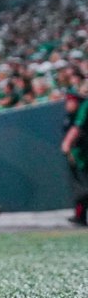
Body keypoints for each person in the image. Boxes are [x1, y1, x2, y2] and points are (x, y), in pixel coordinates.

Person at [63, 91, 88, 226]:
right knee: (80, 188)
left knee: (83, 188)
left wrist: (67, 143)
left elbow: (77, 129)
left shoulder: (85, 106)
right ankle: (80, 216)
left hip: (82, 154)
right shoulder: (70, 116)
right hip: (78, 154)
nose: (68, 104)